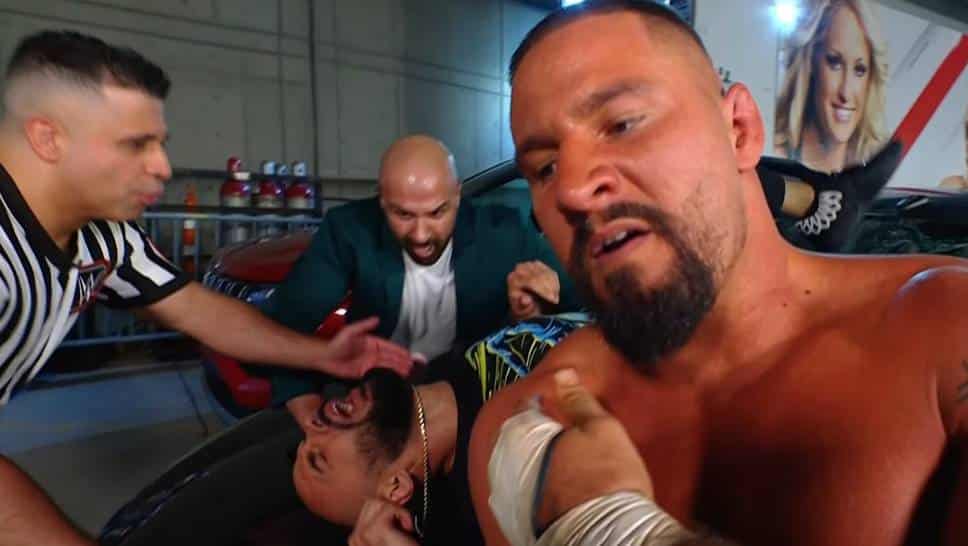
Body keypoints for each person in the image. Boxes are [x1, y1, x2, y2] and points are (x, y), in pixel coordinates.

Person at [463, 2, 968, 546]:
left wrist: (613, 532)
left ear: (739, 130)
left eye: (622, 124)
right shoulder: (522, 432)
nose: (572, 190)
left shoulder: (945, 334)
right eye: (545, 168)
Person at [0, 30, 416, 546]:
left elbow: (198, 310)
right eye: (134, 144)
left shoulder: (107, 238)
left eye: (159, 144)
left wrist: (319, 354)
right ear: (48, 139)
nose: (162, 167)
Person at [261, 134, 583, 408]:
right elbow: (284, 325)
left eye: (437, 213)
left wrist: (535, 312)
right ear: (381, 200)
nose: (420, 235)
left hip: (469, 400)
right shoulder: (348, 231)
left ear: (457, 195)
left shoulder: (504, 232)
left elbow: (587, 300)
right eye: (403, 214)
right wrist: (300, 400)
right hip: (374, 399)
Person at [288, 313, 592, 546]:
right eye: (319, 459)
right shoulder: (507, 484)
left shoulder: (444, 368)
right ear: (396, 486)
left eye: (305, 438)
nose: (311, 424)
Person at [774, 0, 888, 174]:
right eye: (835, 63)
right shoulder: (771, 161)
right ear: (811, 63)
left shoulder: (873, 169)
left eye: (859, 70)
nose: (845, 92)